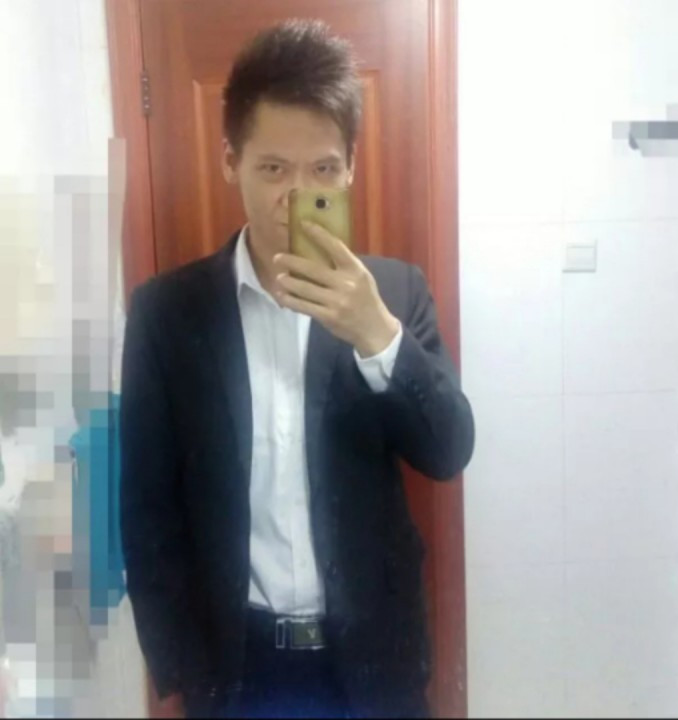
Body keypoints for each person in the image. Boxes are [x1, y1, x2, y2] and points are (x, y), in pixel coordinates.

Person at [120, 19, 474, 720]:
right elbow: (146, 505)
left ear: (350, 168)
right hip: (235, 669)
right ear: (231, 161)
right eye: (273, 169)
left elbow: (448, 451)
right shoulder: (167, 314)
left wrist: (377, 336)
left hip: (375, 665)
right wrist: (178, 668)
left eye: (322, 170)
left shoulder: (394, 294)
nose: (295, 195)